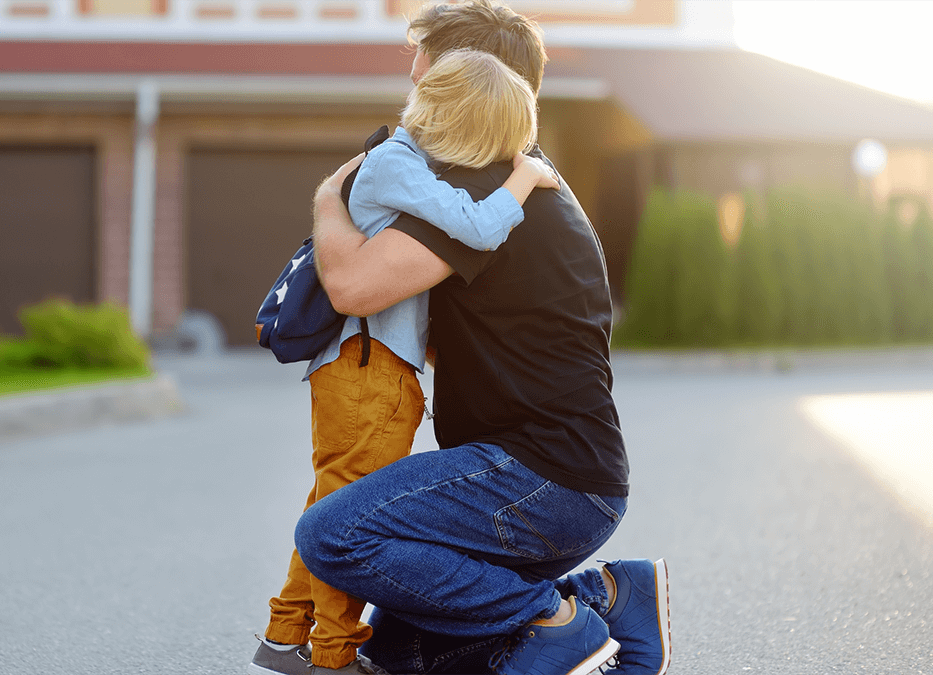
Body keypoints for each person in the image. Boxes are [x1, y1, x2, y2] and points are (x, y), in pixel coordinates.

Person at [294, 2, 673, 674]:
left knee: (334, 535)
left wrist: (328, 196)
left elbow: (351, 285)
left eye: (425, 72)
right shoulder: (519, 175)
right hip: (564, 481)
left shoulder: (481, 189)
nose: (413, 87)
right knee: (403, 649)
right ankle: (620, 596)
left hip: (539, 481)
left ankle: (560, 617)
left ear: (470, 78)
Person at [250, 47, 563, 675]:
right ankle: (332, 657)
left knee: (331, 498)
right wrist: (524, 178)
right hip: (368, 367)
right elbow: (476, 226)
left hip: (367, 365)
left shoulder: (398, 163)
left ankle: (286, 633)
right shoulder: (398, 164)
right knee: (349, 515)